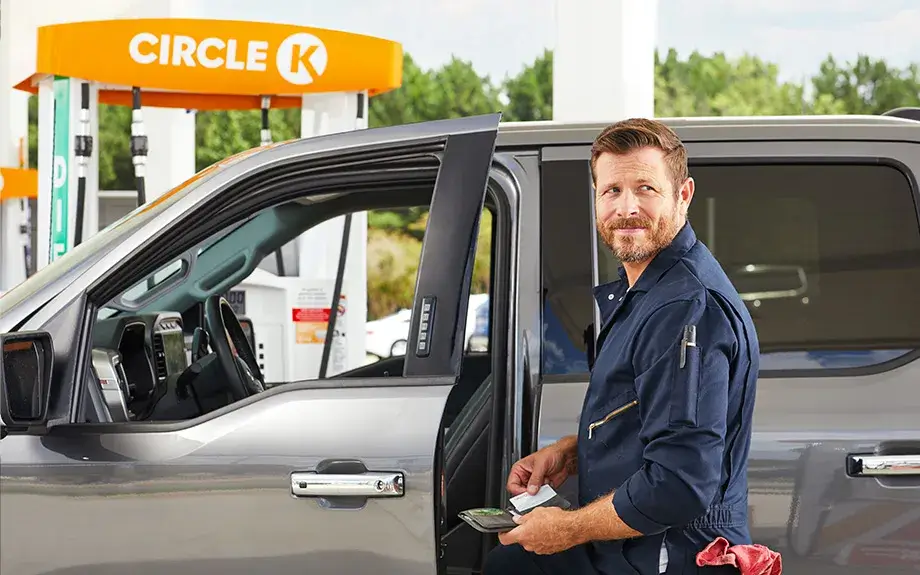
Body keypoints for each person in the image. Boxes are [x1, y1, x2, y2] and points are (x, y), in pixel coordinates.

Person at [483, 118, 760, 575]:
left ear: (683, 194)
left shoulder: (683, 308)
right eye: (611, 191)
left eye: (646, 188)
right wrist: (571, 453)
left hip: (669, 555)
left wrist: (566, 528)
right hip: (637, 548)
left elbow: (678, 484)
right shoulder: (649, 290)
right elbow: (649, 416)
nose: (627, 207)